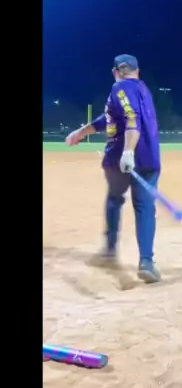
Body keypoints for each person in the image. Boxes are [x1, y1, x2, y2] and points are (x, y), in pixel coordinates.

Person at [65, 55, 161, 283]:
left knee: (114, 200)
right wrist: (81, 132)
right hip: (149, 160)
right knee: (145, 208)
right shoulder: (143, 90)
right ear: (138, 71)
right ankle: (146, 262)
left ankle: (110, 251)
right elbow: (107, 120)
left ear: (115, 72)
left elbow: (131, 118)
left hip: (120, 159)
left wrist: (128, 151)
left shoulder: (119, 88)